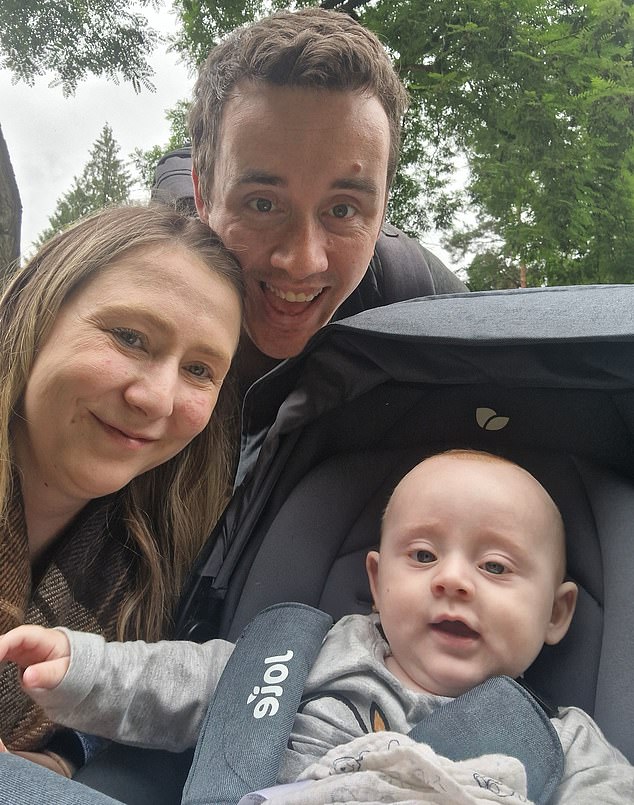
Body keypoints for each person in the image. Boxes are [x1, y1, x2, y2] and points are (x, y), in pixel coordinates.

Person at [0, 450, 631, 802]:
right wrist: (82, 665)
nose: (453, 580)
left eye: (494, 566)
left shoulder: (563, 743)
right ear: (377, 584)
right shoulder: (305, 657)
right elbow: (183, 678)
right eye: (422, 556)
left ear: (556, 612)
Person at [0, 204, 243, 777]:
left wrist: (59, 759)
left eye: (200, 370)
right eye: (130, 337)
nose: (156, 399)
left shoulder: (153, 564)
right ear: (38, 314)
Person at [182, 7, 467, 395]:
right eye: (263, 205)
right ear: (203, 194)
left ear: (382, 212)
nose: (302, 263)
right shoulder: (136, 303)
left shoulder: (426, 305)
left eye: (342, 210)